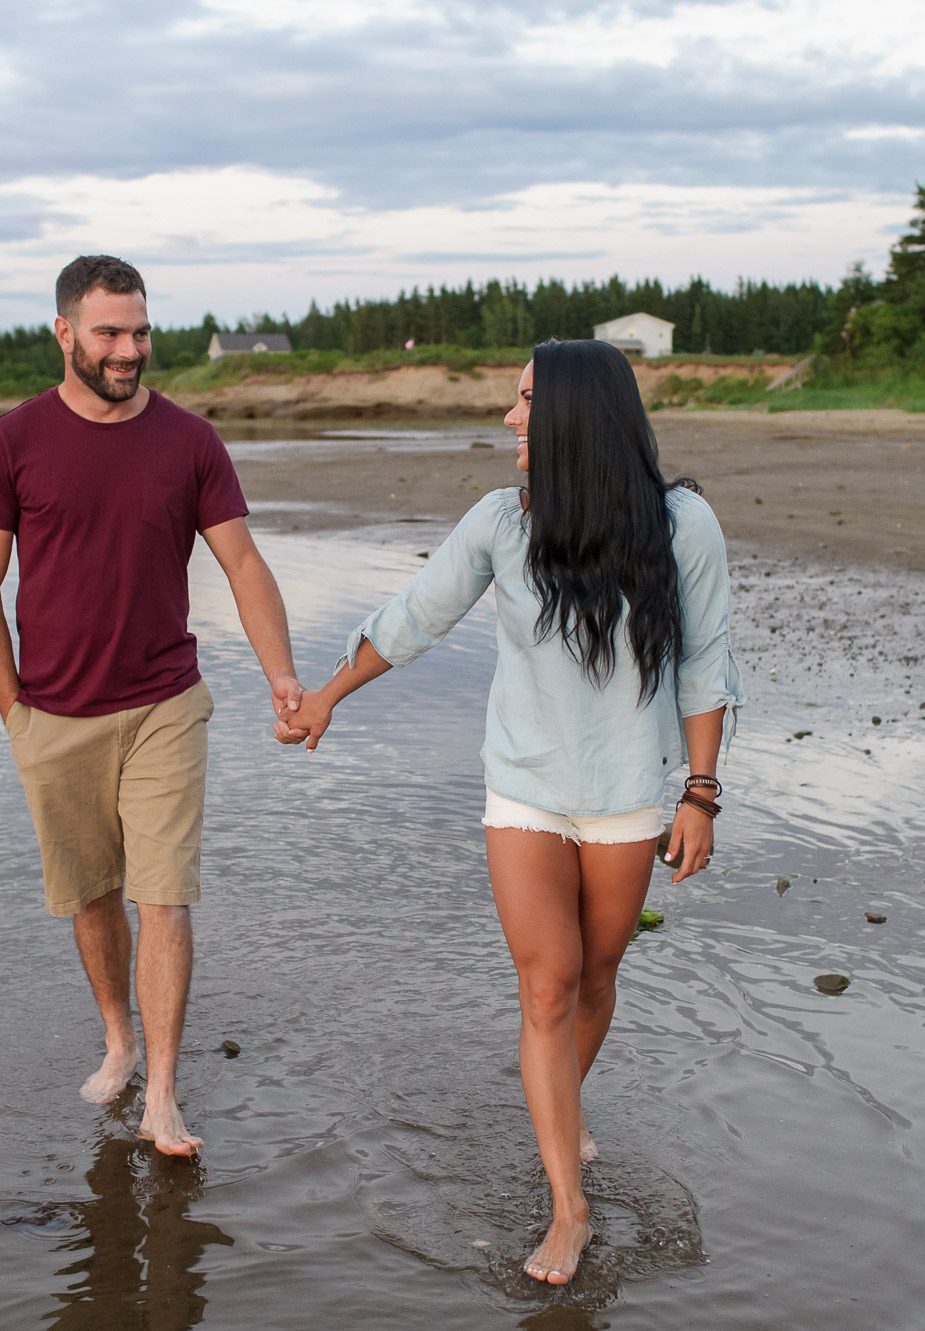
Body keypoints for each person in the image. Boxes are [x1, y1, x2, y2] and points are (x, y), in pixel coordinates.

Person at [276, 339, 744, 1284]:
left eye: (526, 400)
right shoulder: (502, 522)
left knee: (597, 976)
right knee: (548, 983)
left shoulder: (682, 525)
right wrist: (327, 694)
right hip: (524, 789)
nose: (509, 418)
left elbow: (705, 661)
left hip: (625, 794)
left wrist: (700, 791)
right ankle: (568, 1206)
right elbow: (416, 613)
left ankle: (559, 1110)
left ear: (575, 415)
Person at [0, 254, 303, 1157]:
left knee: (165, 896)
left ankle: (164, 1091)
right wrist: (14, 713)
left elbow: (243, 564)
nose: (129, 349)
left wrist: (283, 675)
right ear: (66, 332)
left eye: (140, 331)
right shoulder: (11, 441)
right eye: (110, 332)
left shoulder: (190, 442)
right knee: (92, 895)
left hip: (165, 702)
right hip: (54, 714)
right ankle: (117, 1037)